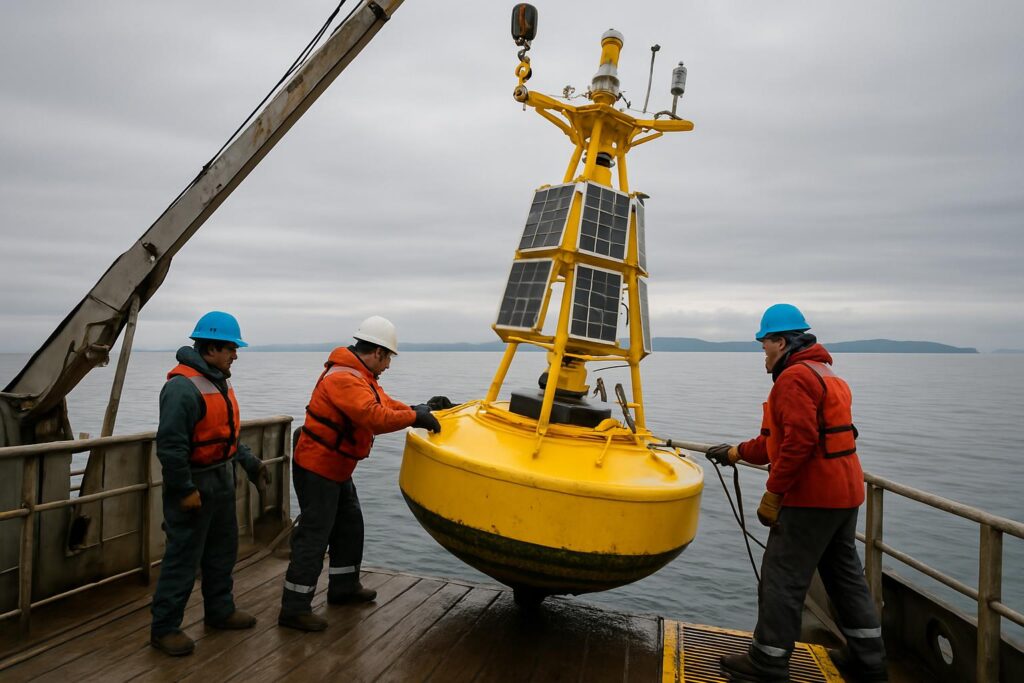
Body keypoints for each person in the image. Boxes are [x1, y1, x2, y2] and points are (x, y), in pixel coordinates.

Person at [705, 303, 887, 683]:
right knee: (844, 577)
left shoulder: (793, 379)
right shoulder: (826, 374)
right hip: (846, 493)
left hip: (811, 497)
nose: (763, 353)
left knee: (782, 577)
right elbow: (780, 439)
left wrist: (774, 492)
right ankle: (868, 660)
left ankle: (768, 663)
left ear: (782, 342)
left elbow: (799, 443)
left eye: (765, 345)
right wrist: (737, 451)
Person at [278, 315, 449, 631]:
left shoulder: (361, 377)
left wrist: (421, 408)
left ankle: (343, 588)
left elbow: (385, 403)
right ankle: (294, 609)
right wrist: (415, 418)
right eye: (388, 359)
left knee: (350, 526)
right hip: (318, 467)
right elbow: (374, 417)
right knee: (315, 536)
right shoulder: (343, 379)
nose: (388, 366)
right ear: (379, 352)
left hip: (336, 467)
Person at [150, 311, 270, 656]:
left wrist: (250, 463)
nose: (236, 354)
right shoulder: (181, 389)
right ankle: (164, 628)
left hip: (221, 480)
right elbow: (171, 448)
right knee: (183, 558)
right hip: (195, 484)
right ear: (212, 348)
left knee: (221, 552)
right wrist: (184, 490)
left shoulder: (219, 379)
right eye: (232, 348)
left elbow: (225, 436)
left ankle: (220, 610)